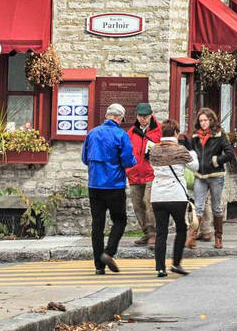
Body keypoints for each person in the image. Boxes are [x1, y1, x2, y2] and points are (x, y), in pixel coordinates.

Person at [80, 102, 137, 275]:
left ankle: (99, 266)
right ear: (119, 118)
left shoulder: (92, 133)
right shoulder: (121, 135)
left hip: (95, 184)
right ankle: (109, 252)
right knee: (119, 220)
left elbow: (84, 158)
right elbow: (128, 161)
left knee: (97, 224)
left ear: (107, 116)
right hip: (114, 185)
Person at [144, 120, 197, 279]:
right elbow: (195, 167)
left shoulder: (153, 150)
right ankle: (176, 263)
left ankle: (160, 268)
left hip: (158, 195)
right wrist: (192, 153)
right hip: (176, 195)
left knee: (161, 232)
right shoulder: (181, 149)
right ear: (175, 132)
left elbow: (151, 163)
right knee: (181, 228)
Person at [181, 109, 231, 250]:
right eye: (201, 120)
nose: (203, 123)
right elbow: (191, 152)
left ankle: (218, 238)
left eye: (206, 120)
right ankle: (191, 237)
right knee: (198, 208)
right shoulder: (196, 136)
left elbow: (230, 154)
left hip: (215, 176)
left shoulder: (220, 135)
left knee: (216, 208)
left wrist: (216, 160)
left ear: (211, 120)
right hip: (200, 175)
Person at [125, 104, 157, 247]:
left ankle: (153, 233)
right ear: (136, 116)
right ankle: (146, 233)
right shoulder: (131, 133)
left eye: (146, 116)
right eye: (140, 116)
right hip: (134, 174)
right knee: (138, 205)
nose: (143, 119)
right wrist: (128, 170)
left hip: (151, 173)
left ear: (151, 115)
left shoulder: (158, 131)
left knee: (149, 202)